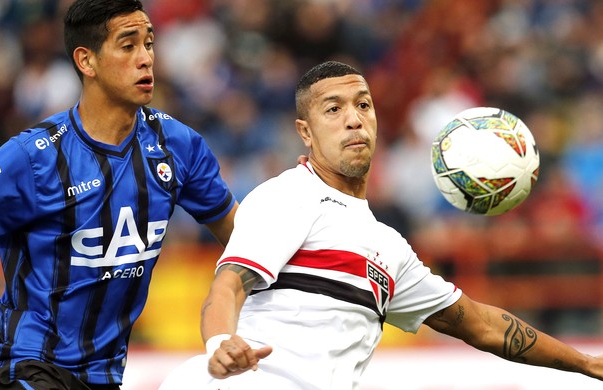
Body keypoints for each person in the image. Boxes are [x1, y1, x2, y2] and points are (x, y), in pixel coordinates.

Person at [159, 60, 603, 390]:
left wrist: (587, 364)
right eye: (333, 109)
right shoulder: (288, 196)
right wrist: (220, 340)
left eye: (363, 105)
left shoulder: (389, 249)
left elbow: (484, 326)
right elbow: (228, 283)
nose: (353, 118)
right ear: (305, 132)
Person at [0, 0, 238, 389]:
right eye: (128, 45)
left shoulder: (178, 146)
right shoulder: (33, 159)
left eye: (149, 43)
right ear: (87, 61)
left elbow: (243, 240)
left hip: (105, 375)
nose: (146, 59)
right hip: (24, 367)